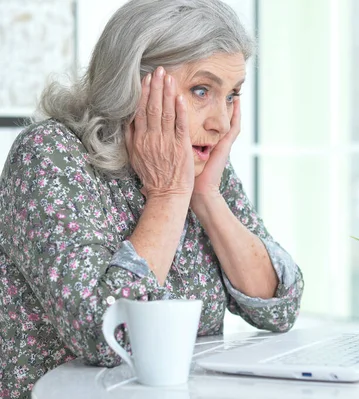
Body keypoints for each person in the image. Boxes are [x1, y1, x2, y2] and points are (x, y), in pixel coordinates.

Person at [0, 0, 304, 396]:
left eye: (231, 95)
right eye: (201, 90)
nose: (222, 122)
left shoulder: (200, 164)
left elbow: (279, 308)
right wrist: (168, 195)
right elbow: (104, 333)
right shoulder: (48, 155)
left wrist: (207, 197)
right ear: (133, 82)